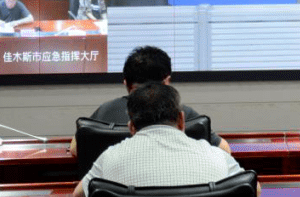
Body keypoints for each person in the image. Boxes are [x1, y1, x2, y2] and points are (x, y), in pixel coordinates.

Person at [72, 82, 244, 197]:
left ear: (131, 127)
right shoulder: (216, 155)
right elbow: (251, 190)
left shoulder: (109, 157)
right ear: (181, 120)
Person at [73, 45, 230, 155]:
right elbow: (224, 150)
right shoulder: (183, 114)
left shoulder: (105, 111)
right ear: (167, 82)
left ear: (126, 83)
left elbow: (75, 149)